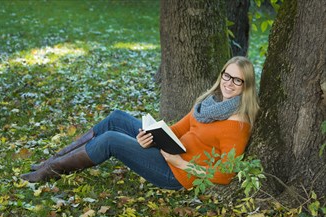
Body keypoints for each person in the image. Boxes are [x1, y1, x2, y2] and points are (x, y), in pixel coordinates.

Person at [21, 56, 259, 190]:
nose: (229, 83)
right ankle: (51, 161)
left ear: (246, 86)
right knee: (116, 117)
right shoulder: (209, 104)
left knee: (111, 140)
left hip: (175, 172)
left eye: (237, 80)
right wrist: (151, 137)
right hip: (171, 150)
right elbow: (177, 130)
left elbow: (226, 175)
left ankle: (49, 171)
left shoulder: (237, 125)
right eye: (226, 76)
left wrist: (180, 163)